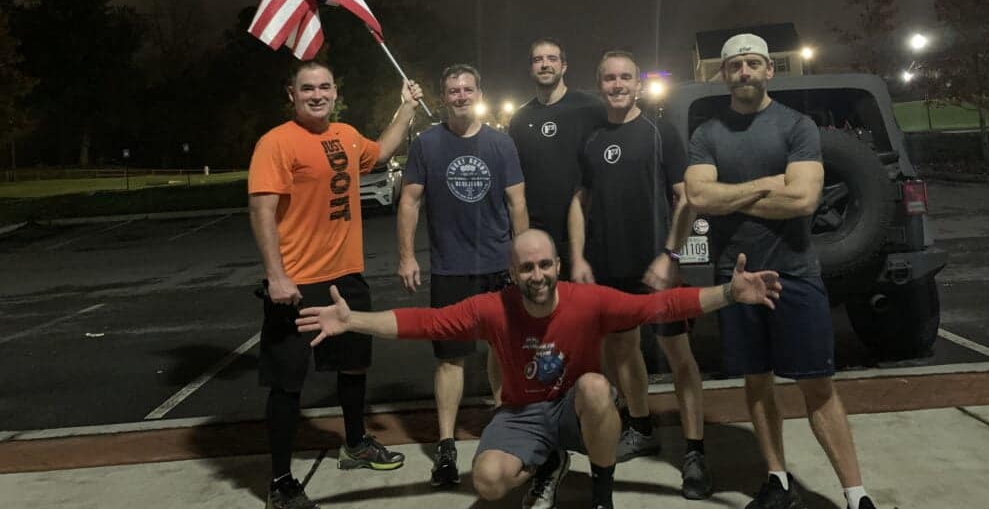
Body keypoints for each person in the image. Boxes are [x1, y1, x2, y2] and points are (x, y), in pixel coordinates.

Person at [297, 229, 783, 509]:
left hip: (575, 407)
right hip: (523, 413)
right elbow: (423, 322)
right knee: (488, 482)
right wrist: (353, 320)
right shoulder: (493, 308)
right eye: (527, 268)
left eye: (545, 265)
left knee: (596, 386)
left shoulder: (588, 301)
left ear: (558, 266)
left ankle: (602, 495)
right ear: (513, 273)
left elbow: (660, 305)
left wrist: (729, 293)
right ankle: (547, 462)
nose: (537, 275)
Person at [682, 33, 877, 509]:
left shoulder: (797, 126)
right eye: (735, 66)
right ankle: (777, 481)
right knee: (756, 380)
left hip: (795, 271)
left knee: (818, 384)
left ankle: (856, 494)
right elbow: (700, 197)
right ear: (723, 74)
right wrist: (769, 185)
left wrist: (733, 195)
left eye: (753, 63)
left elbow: (804, 199)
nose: (744, 72)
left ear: (769, 69)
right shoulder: (707, 134)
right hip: (737, 277)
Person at [249, 60, 423, 509]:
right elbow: (262, 211)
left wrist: (406, 107)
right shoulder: (276, 142)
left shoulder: (345, 135)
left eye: (324, 87)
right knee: (288, 382)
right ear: (292, 94)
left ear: (334, 92)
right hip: (297, 283)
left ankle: (355, 443)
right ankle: (281, 481)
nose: (317, 95)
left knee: (354, 366)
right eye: (307, 88)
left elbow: (380, 152)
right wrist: (276, 275)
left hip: (346, 276)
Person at [567, 50, 712, 499]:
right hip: (610, 266)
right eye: (609, 78)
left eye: (625, 77)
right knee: (623, 351)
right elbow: (580, 201)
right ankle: (642, 427)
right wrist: (578, 258)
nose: (617, 85)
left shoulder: (659, 131)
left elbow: (686, 199)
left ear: (638, 84)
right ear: (600, 84)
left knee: (679, 355)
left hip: (657, 267)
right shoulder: (591, 138)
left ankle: (694, 452)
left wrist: (670, 254)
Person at [397, 63, 529, 487]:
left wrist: (524, 259)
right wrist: (407, 256)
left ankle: (502, 426)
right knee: (450, 358)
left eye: (467, 89)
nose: (460, 96)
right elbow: (409, 202)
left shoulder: (500, 143)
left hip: (497, 265)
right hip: (450, 268)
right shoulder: (427, 144)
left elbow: (517, 204)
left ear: (478, 94)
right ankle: (446, 444)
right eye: (453, 90)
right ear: (443, 97)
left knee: (501, 351)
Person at [508, 38, 604, 277]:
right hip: (540, 236)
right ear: (530, 68)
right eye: (538, 60)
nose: (545, 64)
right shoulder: (519, 119)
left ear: (564, 66)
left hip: (588, 232)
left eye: (552, 59)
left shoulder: (592, 109)